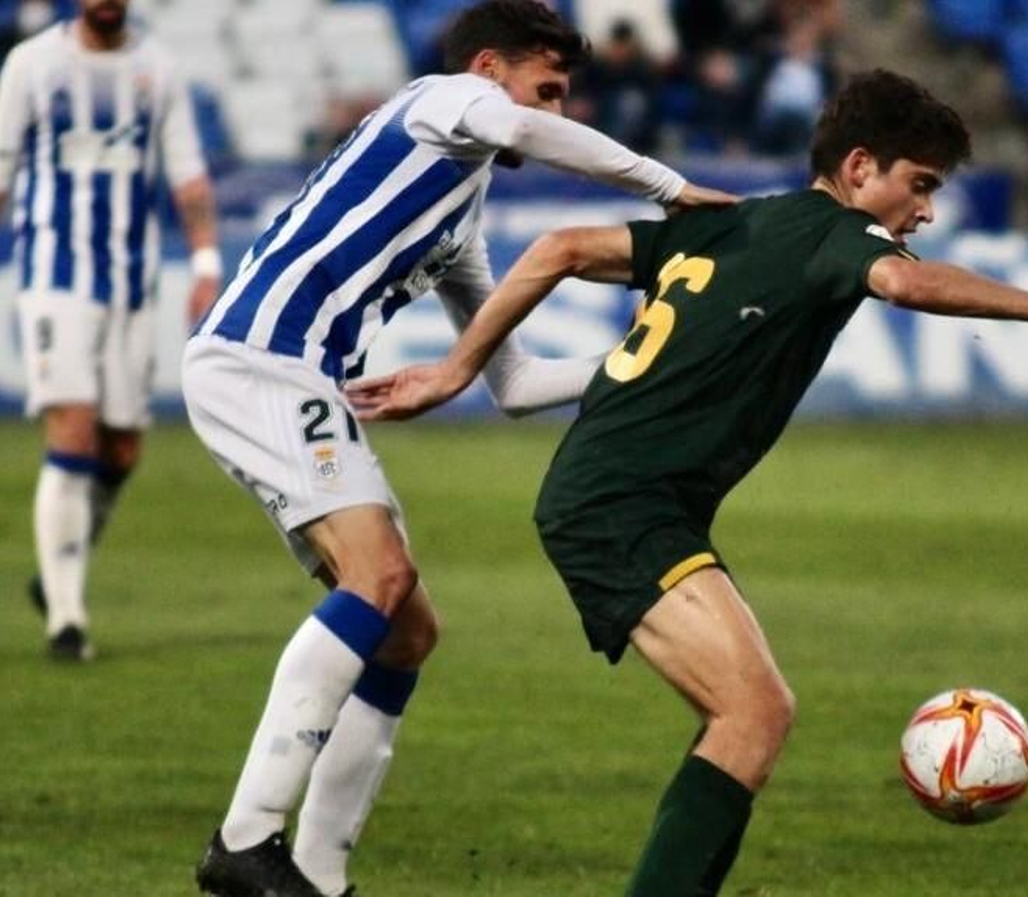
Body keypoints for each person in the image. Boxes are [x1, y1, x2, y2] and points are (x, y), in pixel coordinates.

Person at [351, 69, 1028, 895]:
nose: (925, 212)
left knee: (753, 715)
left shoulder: (738, 224)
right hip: (621, 503)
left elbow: (559, 250)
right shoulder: (838, 237)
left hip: (627, 496)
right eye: (918, 185)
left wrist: (458, 370)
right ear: (857, 168)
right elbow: (908, 281)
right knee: (754, 712)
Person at [180, 2, 734, 895]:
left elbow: (510, 381)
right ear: (489, 68)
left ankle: (319, 876)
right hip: (261, 361)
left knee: (406, 630)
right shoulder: (437, 101)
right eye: (547, 89)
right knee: (380, 579)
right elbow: (519, 127)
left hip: (296, 379)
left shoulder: (457, 212)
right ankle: (244, 840)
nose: (553, 112)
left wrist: (649, 358)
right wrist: (668, 188)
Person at [0, 0, 220, 662]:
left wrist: (205, 263)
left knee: (120, 450)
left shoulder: (157, 68)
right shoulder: (32, 65)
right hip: (54, 279)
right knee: (73, 428)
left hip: (131, 284)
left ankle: (57, 569)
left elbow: (187, 174)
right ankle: (67, 619)